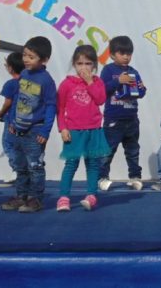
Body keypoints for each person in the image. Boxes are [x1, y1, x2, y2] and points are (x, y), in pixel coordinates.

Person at [0, 36, 57, 213]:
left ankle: (35, 199)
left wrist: (45, 131)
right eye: (25, 54)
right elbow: (18, 100)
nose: (25, 59)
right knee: (20, 166)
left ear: (44, 59)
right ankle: (21, 196)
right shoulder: (23, 74)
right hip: (17, 129)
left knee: (35, 167)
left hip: (35, 131)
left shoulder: (46, 80)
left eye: (31, 56)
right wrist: (12, 121)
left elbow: (50, 106)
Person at [55, 45, 110, 211]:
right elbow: (60, 107)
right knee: (71, 164)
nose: (84, 67)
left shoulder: (98, 82)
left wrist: (89, 82)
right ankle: (64, 197)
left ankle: (91, 195)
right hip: (74, 131)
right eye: (80, 63)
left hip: (93, 130)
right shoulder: (66, 84)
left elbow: (100, 99)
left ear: (94, 65)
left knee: (93, 164)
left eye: (88, 63)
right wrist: (63, 128)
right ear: (74, 64)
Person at [98, 36, 147, 191]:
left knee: (133, 151)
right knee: (107, 151)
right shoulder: (108, 70)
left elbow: (140, 93)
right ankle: (102, 177)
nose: (126, 56)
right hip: (114, 120)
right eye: (122, 53)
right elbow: (102, 90)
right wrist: (118, 81)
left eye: (129, 53)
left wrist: (142, 89)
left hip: (132, 119)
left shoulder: (133, 71)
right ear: (112, 55)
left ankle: (135, 177)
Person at [0, 52, 24, 181]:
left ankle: (18, 169)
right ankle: (21, 169)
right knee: (21, 146)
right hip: (25, 120)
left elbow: (7, 103)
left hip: (12, 120)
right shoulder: (28, 83)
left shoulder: (11, 84)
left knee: (8, 145)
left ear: (10, 68)